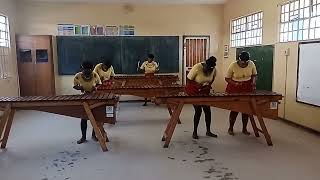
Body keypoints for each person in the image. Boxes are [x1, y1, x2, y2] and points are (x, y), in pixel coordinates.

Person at [225, 51, 257, 136]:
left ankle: (244, 129)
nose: (244, 63)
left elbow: (254, 75)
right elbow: (227, 78)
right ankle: (230, 128)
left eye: (246, 62)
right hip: (235, 88)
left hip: (247, 87)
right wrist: (235, 83)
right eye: (242, 62)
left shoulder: (251, 64)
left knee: (246, 110)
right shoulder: (233, 65)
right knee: (235, 109)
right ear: (239, 59)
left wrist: (253, 83)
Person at [185, 56, 218, 139]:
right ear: (205, 64)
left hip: (205, 91)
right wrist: (197, 85)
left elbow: (213, 77)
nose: (209, 70)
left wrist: (208, 85)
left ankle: (208, 131)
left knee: (207, 111)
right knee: (198, 110)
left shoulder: (213, 69)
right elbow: (188, 79)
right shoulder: (197, 67)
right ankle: (194, 132)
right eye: (208, 68)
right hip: (194, 91)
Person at [73, 61, 102, 144]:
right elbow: (75, 86)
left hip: (94, 97)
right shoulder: (78, 76)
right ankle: (83, 137)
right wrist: (80, 88)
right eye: (85, 70)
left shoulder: (95, 75)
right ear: (82, 69)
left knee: (95, 118)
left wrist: (95, 88)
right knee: (84, 118)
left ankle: (94, 135)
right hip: (84, 97)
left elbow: (99, 84)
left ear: (91, 69)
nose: (87, 71)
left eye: (89, 70)